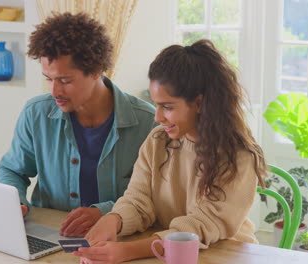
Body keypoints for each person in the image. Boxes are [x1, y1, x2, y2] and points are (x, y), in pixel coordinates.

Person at [74, 39, 267, 263]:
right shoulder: (158, 141)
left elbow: (197, 228)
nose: (157, 117)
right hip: (166, 254)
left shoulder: (238, 156)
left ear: (199, 103)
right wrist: (114, 219)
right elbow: (138, 200)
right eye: (155, 104)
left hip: (226, 255)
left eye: (167, 107)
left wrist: (127, 251)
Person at [0, 12, 156, 237]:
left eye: (65, 81)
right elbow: (12, 170)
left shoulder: (148, 122)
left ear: (96, 70)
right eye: (48, 79)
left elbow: (156, 196)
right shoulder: (36, 113)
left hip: (119, 240)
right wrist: (15, 201)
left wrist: (106, 212)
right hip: (50, 236)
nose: (54, 92)